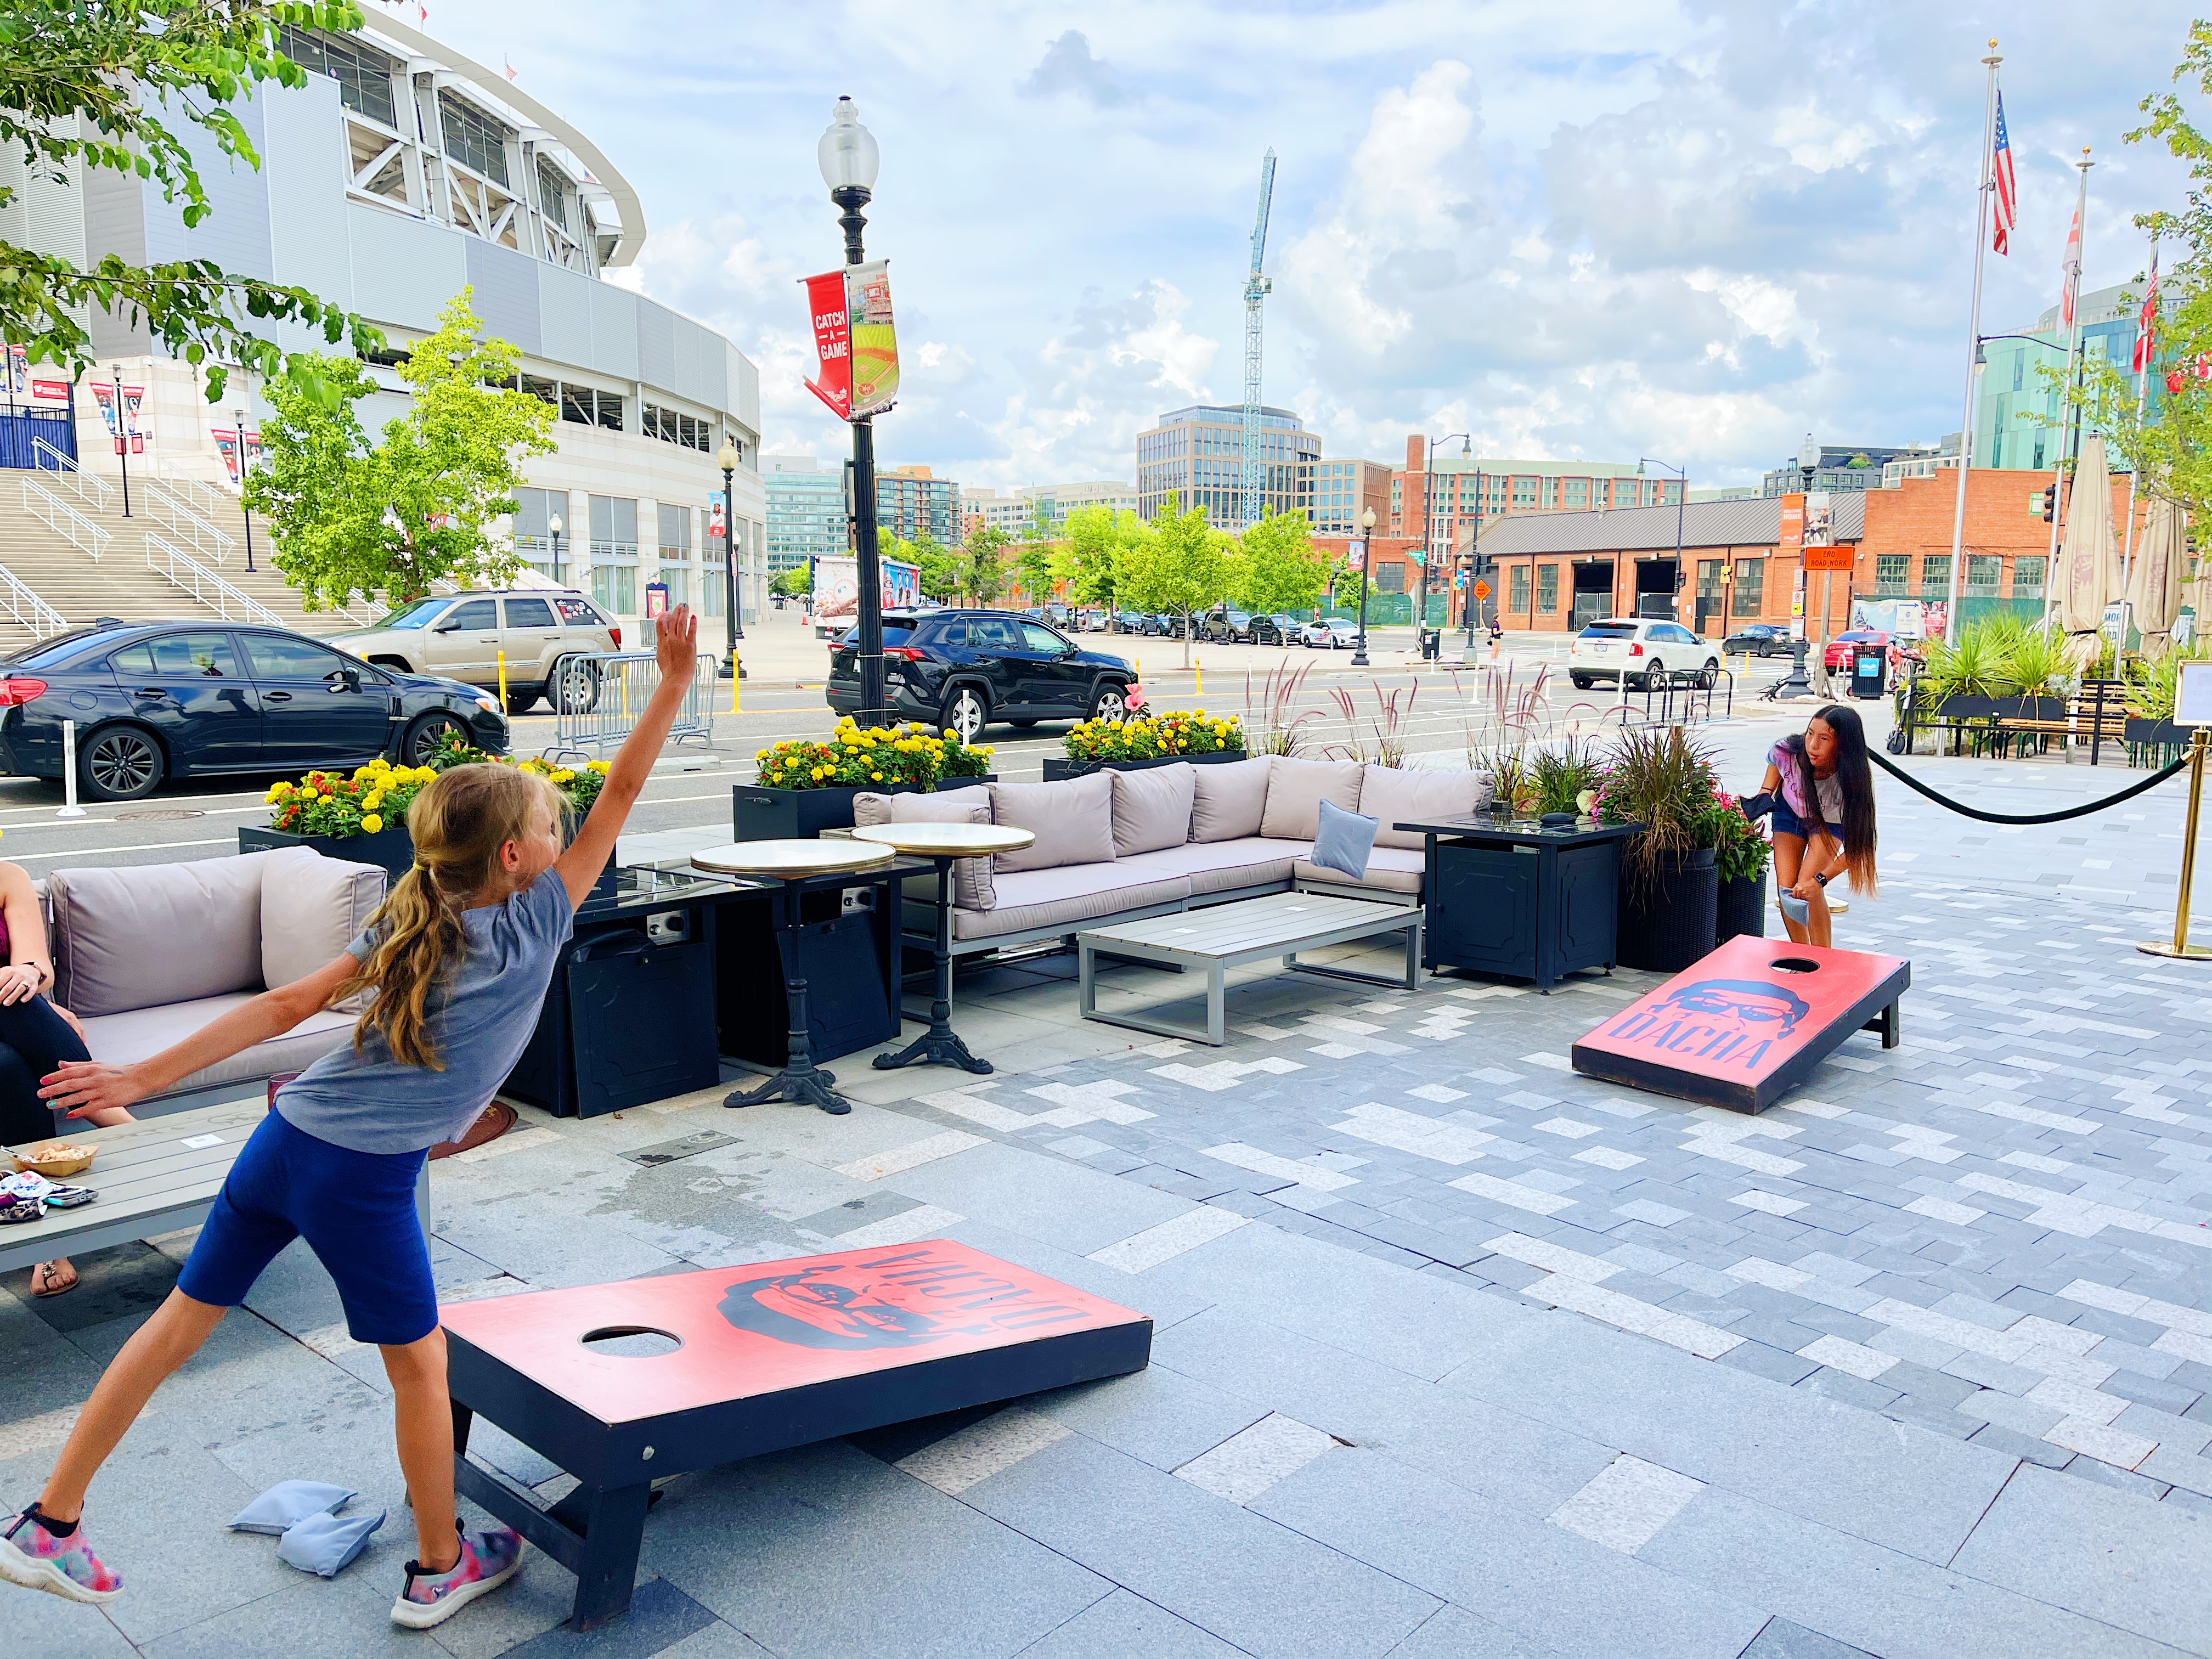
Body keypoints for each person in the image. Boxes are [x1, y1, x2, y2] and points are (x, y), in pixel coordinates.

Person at [1, 607, 701, 1632]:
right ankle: (437, 1565)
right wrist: (673, 682)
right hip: (362, 1174)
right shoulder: (542, 908)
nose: (564, 836)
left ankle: (48, 1521)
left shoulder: (413, 910)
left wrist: (140, 1077)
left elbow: (285, 1009)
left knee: (174, 1326)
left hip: (286, 1138)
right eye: (551, 827)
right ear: (515, 855)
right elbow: (626, 790)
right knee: (421, 1369)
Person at [0, 860, 129, 1299]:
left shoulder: (6, 876)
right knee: (12, 1001)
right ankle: (127, 1126)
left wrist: (29, 979)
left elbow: (36, 963)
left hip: (9, 1023)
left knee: (9, 1065)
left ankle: (44, 1240)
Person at [1754, 703, 1877, 949]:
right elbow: (1767, 790)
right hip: (1789, 813)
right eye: (1810, 733)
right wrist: (1749, 817)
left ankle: (1823, 957)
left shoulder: (1852, 781)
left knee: (1808, 885)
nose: (1813, 745)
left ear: (1842, 746)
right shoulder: (1786, 751)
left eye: (1824, 738)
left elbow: (1860, 848)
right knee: (1787, 890)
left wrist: (1820, 880)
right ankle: (1802, 955)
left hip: (1829, 824)